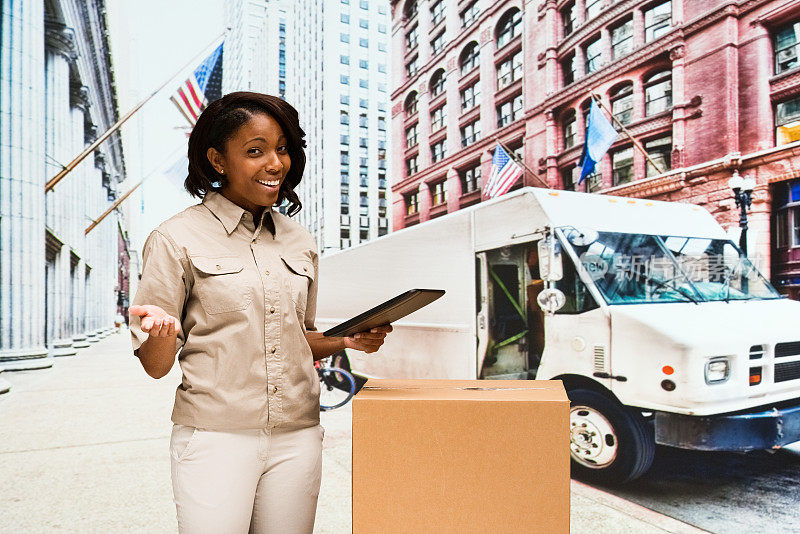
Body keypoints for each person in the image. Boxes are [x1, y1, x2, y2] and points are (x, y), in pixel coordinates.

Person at [128, 91, 392, 534]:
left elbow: (297, 336)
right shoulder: (175, 238)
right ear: (217, 160)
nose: (275, 164)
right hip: (216, 439)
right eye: (255, 151)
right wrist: (160, 333)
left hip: (298, 436)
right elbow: (156, 367)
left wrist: (346, 339)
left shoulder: (299, 240)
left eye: (283, 149)